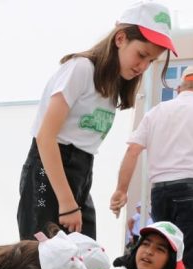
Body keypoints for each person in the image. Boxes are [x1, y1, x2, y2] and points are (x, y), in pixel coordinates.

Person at [17, 1, 176, 240]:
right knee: (41, 259)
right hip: (46, 172)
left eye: (150, 61)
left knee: (86, 260)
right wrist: (67, 203)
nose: (142, 66)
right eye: (141, 55)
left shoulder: (113, 85)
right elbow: (45, 136)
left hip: (81, 172)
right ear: (120, 39)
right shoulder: (80, 69)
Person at [110, 65, 193, 269]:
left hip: (160, 192)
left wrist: (121, 190)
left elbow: (133, 150)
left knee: (165, 254)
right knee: (188, 259)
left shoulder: (156, 112)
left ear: (179, 88)